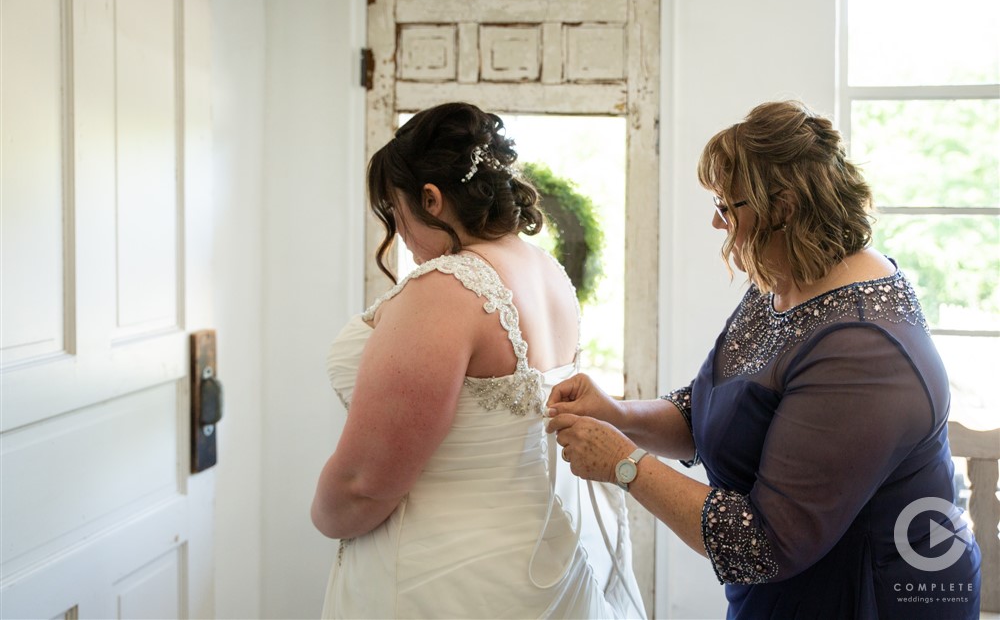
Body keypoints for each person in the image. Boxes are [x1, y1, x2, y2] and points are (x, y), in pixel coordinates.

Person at [546, 100, 982, 619]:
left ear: (786, 206)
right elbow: (710, 409)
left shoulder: (863, 350)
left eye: (728, 206)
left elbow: (761, 544)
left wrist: (625, 464)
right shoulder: (785, 277)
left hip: (861, 597)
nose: (716, 221)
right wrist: (617, 415)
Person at [311, 102, 645, 619]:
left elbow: (362, 486)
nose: (402, 239)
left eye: (399, 216)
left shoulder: (445, 290)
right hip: (542, 559)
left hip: (443, 578)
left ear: (431, 199)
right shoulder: (547, 272)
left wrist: (324, 512)